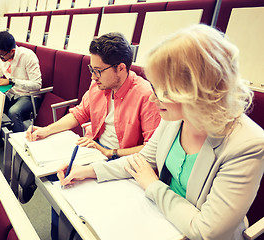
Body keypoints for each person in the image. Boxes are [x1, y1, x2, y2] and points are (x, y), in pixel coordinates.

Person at [57, 24, 264, 240]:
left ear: (194, 91)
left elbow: (206, 231)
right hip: (162, 219)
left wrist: (153, 186)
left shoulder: (248, 144)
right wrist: (88, 170)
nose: (153, 98)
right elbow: (141, 161)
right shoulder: (176, 117)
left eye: (161, 90)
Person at [26, 32, 161, 159]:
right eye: (92, 69)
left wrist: (109, 152)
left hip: (122, 159)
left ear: (121, 68)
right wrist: (47, 130)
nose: (93, 77)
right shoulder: (98, 85)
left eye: (98, 71)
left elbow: (151, 149)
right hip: (95, 148)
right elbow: (79, 114)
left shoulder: (146, 95)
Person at [0, 31, 42, 132]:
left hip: (28, 96)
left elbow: (37, 85)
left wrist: (12, 81)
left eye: (1, 55)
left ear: (12, 51)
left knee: (13, 112)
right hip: (10, 92)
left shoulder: (28, 56)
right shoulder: (1, 56)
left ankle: (17, 143)